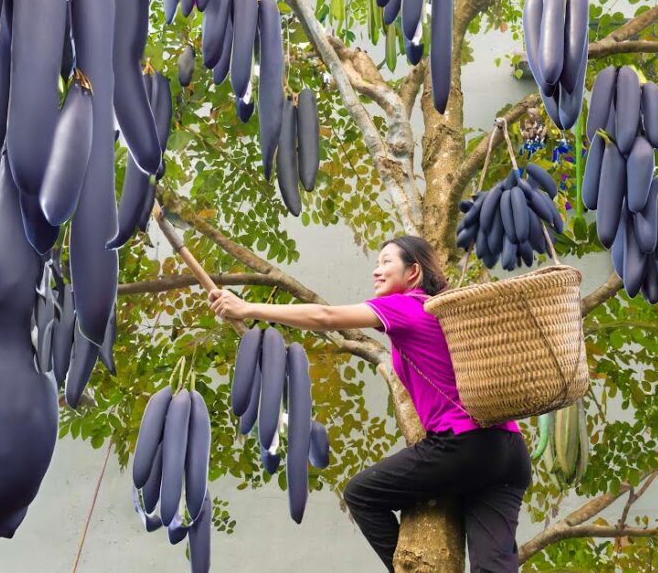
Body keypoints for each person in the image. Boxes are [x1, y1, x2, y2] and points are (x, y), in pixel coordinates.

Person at [209, 235, 531, 572]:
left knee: (361, 493)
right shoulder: (441, 316)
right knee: (494, 568)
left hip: (462, 446)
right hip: (507, 451)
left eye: (386, 262)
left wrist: (246, 308)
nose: (376, 271)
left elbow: (325, 316)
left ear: (413, 272)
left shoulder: (407, 305)